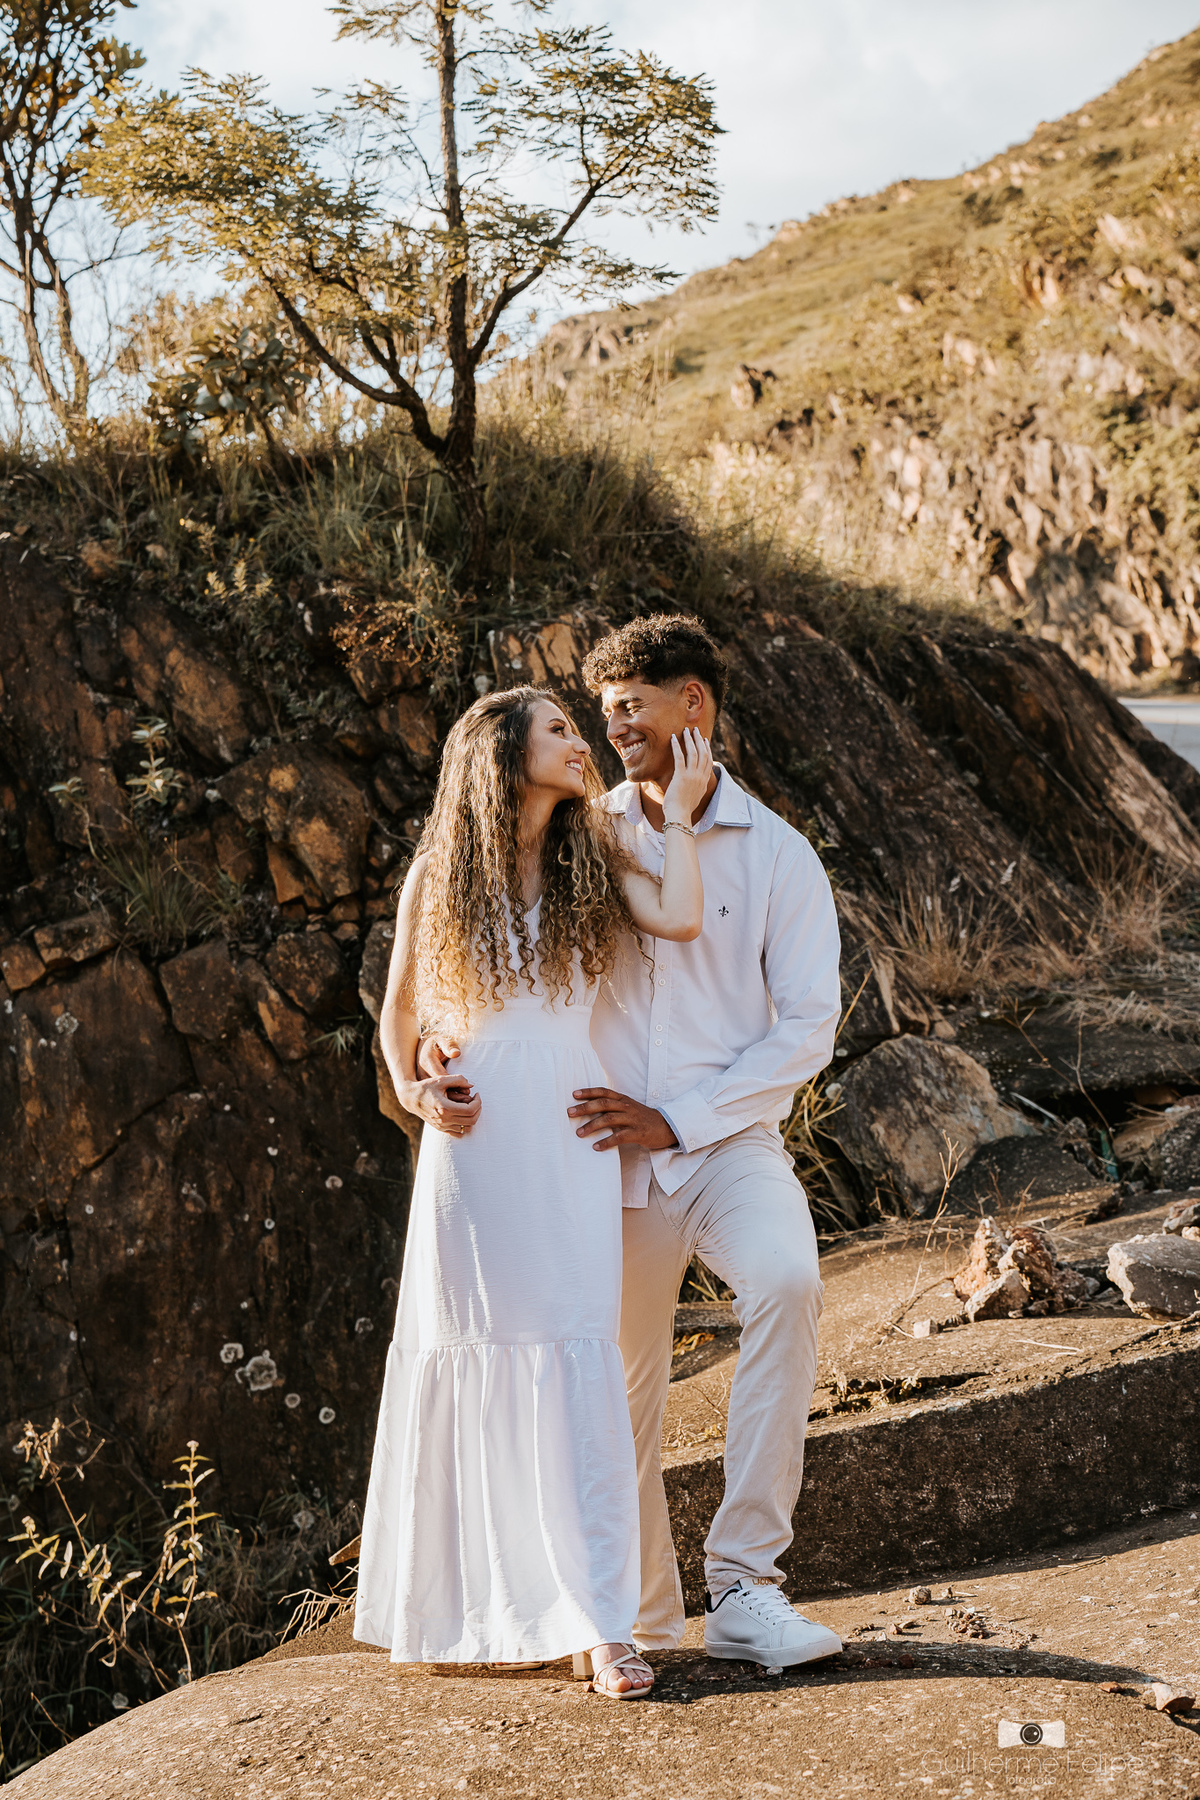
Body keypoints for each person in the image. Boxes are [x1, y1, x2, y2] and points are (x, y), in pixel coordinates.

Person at [426, 615, 843, 1667]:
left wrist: (684, 1119)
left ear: (691, 704)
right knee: (618, 1395)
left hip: (726, 1146)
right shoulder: (583, 833)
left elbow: (808, 1026)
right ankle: (641, 1616)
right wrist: (436, 1045)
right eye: (599, 712)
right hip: (595, 1157)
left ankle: (746, 1587)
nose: (610, 730)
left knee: (788, 1283)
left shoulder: (781, 854)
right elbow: (490, 950)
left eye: (629, 708)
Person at [353, 684, 713, 1700]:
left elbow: (681, 916)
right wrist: (418, 1091)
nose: (579, 742)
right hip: (474, 1151)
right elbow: (399, 1017)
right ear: (504, 753)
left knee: (575, 1358)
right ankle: (485, 1610)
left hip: (567, 1136)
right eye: (557, 729)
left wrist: (681, 817)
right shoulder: (440, 873)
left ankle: (601, 1626)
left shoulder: (594, 854)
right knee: (478, 1351)